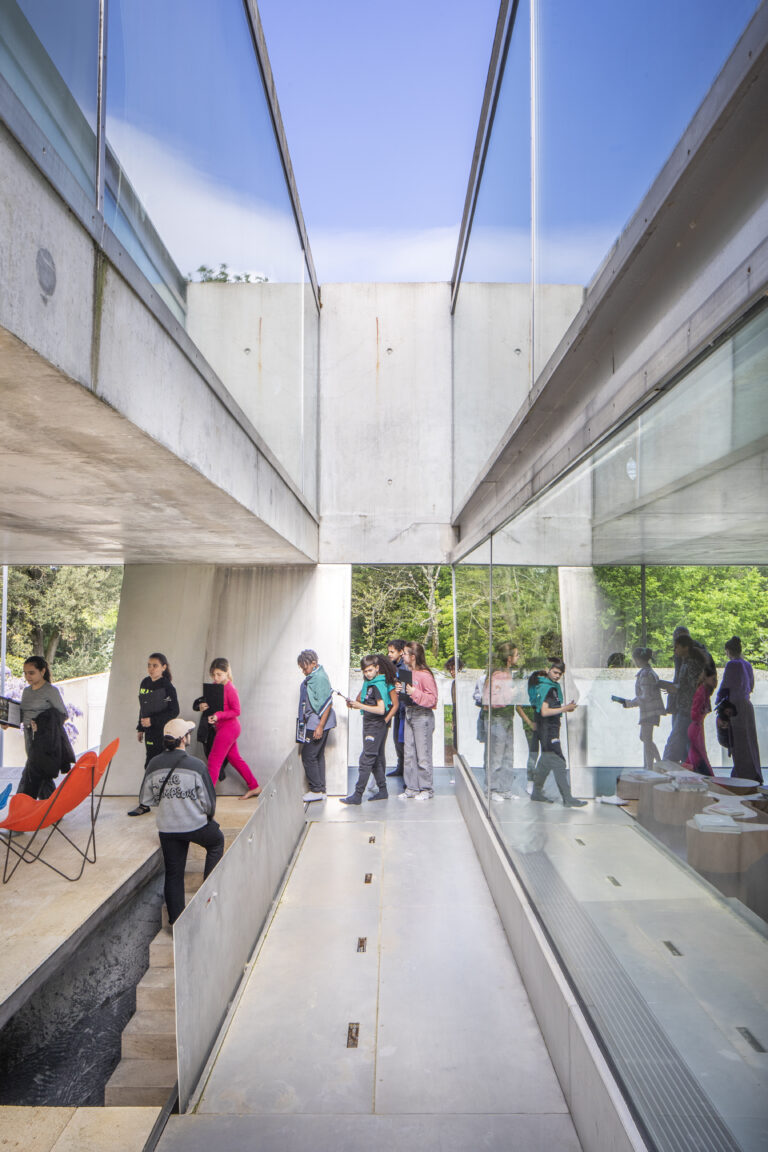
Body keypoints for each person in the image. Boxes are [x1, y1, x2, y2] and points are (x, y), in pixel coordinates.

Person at [139, 718, 224, 926]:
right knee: (216, 841)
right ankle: (208, 894)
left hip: (167, 828)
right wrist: (207, 818)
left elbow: (146, 799)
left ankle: (177, 923)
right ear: (183, 739)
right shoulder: (196, 765)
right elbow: (209, 803)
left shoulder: (153, 764)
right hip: (195, 825)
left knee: (174, 874)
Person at [3, 656, 73, 800]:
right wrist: (8, 722)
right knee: (40, 772)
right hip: (29, 735)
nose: (27, 676)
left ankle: (22, 806)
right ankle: (52, 809)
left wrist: (41, 723)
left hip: (43, 737)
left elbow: (62, 714)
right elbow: (24, 714)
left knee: (33, 771)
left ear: (42, 671)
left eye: (31, 673)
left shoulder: (50, 691)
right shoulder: (27, 691)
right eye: (25, 673)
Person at [196, 658, 260, 799]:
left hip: (229, 728)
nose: (216, 678)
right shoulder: (214, 687)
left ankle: (207, 797)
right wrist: (203, 707)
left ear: (227, 673)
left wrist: (218, 716)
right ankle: (254, 786)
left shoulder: (230, 688)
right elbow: (208, 705)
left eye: (219, 674)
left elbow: (237, 711)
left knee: (214, 760)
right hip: (222, 727)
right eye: (213, 674)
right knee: (235, 758)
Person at [341, 654, 397, 804]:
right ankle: (383, 790)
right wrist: (355, 703)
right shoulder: (369, 684)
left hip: (375, 726)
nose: (368, 674)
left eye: (370, 670)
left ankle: (357, 795)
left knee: (366, 759)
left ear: (377, 668)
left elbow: (380, 709)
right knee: (376, 758)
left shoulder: (377, 685)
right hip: (370, 724)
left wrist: (360, 706)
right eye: (365, 671)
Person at [530, 658, 587, 807]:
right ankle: (567, 798)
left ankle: (536, 792)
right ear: (548, 669)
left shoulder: (549, 686)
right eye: (555, 672)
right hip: (548, 730)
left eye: (559, 674)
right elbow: (544, 711)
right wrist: (565, 708)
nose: (557, 676)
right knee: (559, 762)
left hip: (549, 729)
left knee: (546, 761)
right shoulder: (548, 688)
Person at [128, 653, 179, 816]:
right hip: (149, 733)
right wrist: (141, 727)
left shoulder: (168, 687)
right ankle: (145, 803)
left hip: (163, 733)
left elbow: (174, 711)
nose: (151, 668)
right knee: (150, 766)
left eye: (155, 665)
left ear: (164, 667)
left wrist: (153, 721)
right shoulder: (145, 682)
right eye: (149, 665)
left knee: (161, 766)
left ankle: (166, 802)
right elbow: (143, 707)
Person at [716, 636, 762, 782]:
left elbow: (725, 687)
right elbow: (751, 686)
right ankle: (752, 772)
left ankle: (742, 773)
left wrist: (719, 704)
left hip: (735, 708)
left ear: (728, 651)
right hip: (747, 706)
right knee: (749, 741)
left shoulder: (732, 665)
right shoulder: (747, 665)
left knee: (738, 741)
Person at [613, 647, 666, 771]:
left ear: (638, 659)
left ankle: (652, 766)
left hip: (649, 711)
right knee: (645, 738)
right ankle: (656, 763)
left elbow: (645, 696)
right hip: (650, 710)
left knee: (646, 738)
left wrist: (629, 703)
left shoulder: (646, 674)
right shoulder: (648, 672)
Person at [397, 641, 438, 800]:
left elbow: (432, 700)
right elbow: (406, 694)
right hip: (409, 712)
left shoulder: (425, 675)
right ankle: (411, 788)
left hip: (422, 716)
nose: (403, 656)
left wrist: (414, 692)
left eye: (405, 653)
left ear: (413, 657)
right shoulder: (406, 672)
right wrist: (401, 691)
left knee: (423, 754)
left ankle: (426, 789)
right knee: (409, 753)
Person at [482, 642, 521, 801]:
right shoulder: (498, 675)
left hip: (506, 717)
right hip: (497, 717)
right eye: (517, 655)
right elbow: (493, 699)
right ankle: (492, 789)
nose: (519, 657)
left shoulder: (507, 672)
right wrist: (513, 693)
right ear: (509, 658)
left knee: (507, 753)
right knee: (497, 754)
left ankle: (505, 788)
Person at [296, 649, 336, 802]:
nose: (303, 672)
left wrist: (319, 726)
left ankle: (316, 790)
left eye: (304, 668)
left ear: (314, 663)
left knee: (308, 755)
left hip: (317, 722)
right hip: (314, 721)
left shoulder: (319, 678)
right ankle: (321, 789)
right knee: (317, 755)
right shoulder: (314, 676)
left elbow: (327, 704)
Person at [662, 633, 704, 765]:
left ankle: (666, 768)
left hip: (687, 709)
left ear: (685, 647)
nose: (675, 650)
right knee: (686, 745)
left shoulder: (691, 664)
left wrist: (677, 689)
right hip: (685, 708)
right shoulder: (685, 663)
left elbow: (694, 686)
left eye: (677, 647)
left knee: (673, 744)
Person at [684, 669, 716, 777]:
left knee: (695, 758)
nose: (716, 682)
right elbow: (694, 714)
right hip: (696, 728)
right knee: (699, 758)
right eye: (713, 679)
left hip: (697, 728)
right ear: (705, 678)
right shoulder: (701, 692)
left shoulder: (704, 692)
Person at [386, 639, 407, 779]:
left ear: (401, 652)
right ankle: (400, 767)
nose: (389, 654)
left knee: (402, 740)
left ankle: (406, 771)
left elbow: (406, 690)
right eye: (388, 651)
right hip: (397, 709)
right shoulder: (392, 666)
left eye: (392, 652)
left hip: (403, 710)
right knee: (396, 739)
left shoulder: (404, 667)